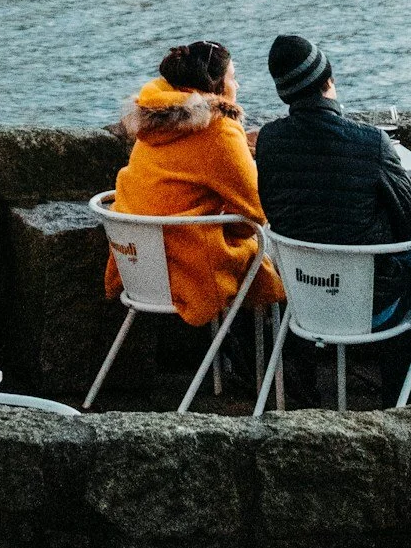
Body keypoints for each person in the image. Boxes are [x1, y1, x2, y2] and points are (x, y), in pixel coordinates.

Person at [255, 35, 411, 320]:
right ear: (328, 81)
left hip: (304, 301)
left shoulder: (268, 141)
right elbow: (406, 221)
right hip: (371, 304)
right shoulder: (371, 141)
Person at [107, 41, 283, 336]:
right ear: (216, 87)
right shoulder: (218, 130)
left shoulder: (154, 122)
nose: (237, 84)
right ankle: (271, 375)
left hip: (139, 266)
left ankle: (234, 363)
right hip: (190, 272)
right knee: (276, 249)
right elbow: (256, 212)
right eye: (232, 77)